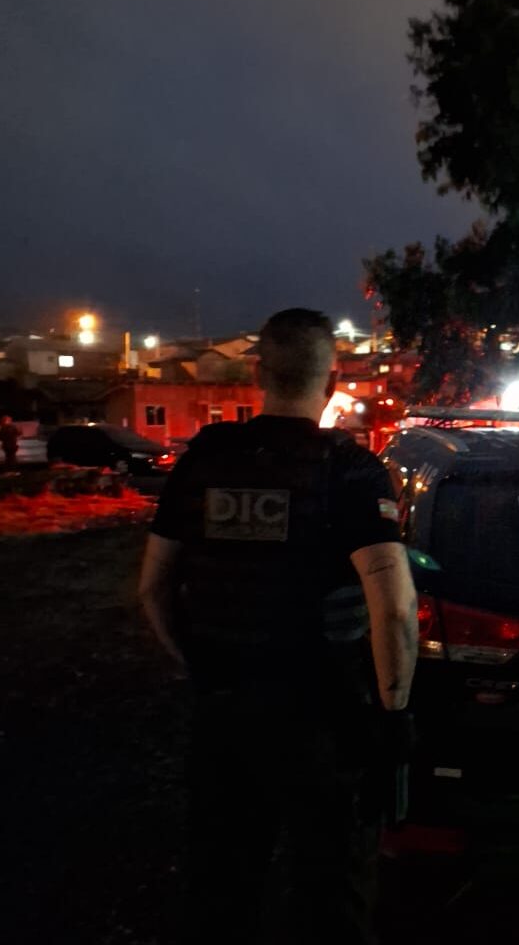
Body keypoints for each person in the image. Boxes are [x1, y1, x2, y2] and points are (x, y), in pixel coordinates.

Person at [138, 308, 418, 945]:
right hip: (325, 719)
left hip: (226, 716)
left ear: (258, 374)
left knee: (222, 893)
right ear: (333, 380)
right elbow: (396, 608)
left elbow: (152, 588)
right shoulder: (351, 470)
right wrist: (394, 713)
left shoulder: (205, 461)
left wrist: (198, 664)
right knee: (333, 899)